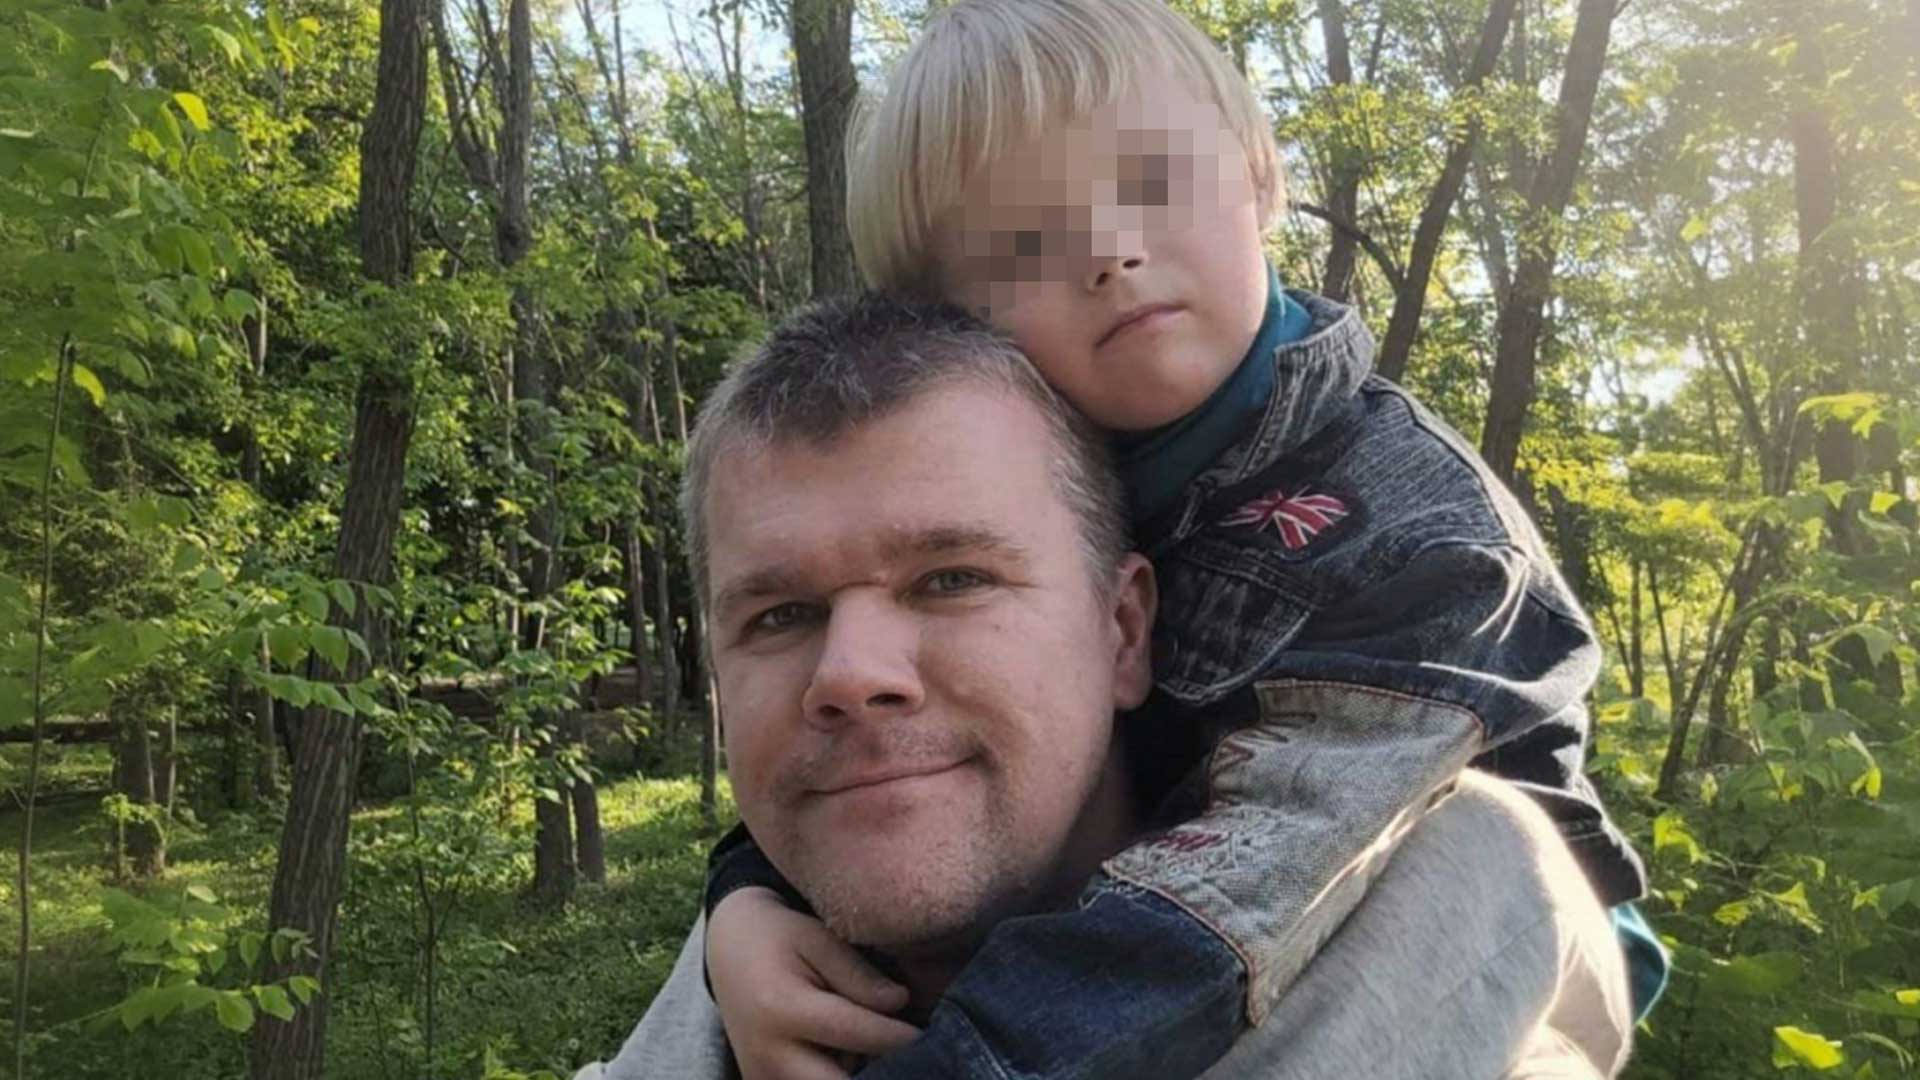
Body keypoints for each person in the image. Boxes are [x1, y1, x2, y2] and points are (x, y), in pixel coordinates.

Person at [700, 1, 1666, 1078]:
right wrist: (744, 901)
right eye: (1026, 243)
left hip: (1458, 941)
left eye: (1155, 182)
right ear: (955, 328)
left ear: (1259, 177)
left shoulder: (1412, 522)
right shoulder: (1052, 479)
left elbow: (1268, 874)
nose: (1113, 253)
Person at [575, 294, 1633, 1080]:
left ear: (1125, 632)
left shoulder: (1462, 934)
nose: (849, 675)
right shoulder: (719, 984)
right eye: (779, 616)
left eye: (952, 579)